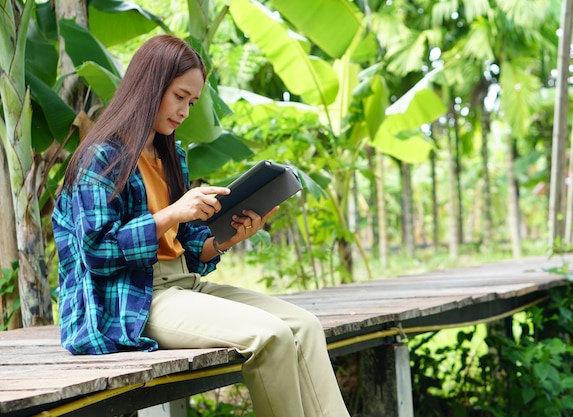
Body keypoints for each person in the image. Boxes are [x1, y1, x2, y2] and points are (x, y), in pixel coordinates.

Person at [52, 34, 350, 417]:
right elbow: (96, 251)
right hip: (135, 298)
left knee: (305, 326)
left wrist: (228, 239)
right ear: (151, 85)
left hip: (183, 285)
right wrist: (173, 213)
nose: (185, 112)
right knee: (270, 336)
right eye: (179, 96)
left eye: (191, 102)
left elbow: (191, 248)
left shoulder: (169, 153)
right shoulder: (101, 157)